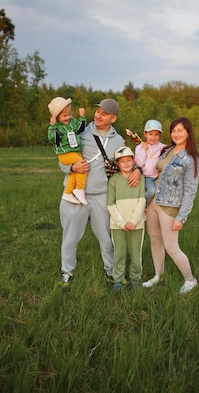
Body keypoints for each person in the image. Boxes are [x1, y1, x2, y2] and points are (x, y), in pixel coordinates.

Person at [58, 98, 141, 285]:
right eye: (97, 112)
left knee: (106, 237)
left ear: (113, 118)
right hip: (74, 195)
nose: (98, 115)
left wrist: (136, 169)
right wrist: (72, 168)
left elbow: (125, 164)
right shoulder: (80, 132)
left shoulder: (118, 140)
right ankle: (67, 272)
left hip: (101, 195)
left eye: (103, 113)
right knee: (70, 236)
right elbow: (62, 158)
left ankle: (111, 271)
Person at [142, 117, 199, 294]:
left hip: (170, 207)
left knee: (171, 247)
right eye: (173, 130)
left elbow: (190, 191)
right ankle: (158, 275)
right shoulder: (167, 150)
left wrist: (181, 218)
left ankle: (190, 280)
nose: (176, 134)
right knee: (155, 240)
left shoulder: (191, 159)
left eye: (180, 130)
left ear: (188, 132)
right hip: (153, 203)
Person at [107, 146, 146, 292]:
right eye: (122, 161)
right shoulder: (113, 180)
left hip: (137, 224)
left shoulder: (139, 178)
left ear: (133, 161)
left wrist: (133, 221)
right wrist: (122, 223)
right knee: (119, 253)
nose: (126, 164)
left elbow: (142, 201)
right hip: (118, 225)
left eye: (129, 160)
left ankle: (135, 278)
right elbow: (110, 204)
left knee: (136, 254)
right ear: (117, 163)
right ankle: (118, 279)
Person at [47, 97, 88, 205]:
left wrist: (82, 117)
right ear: (56, 117)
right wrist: (52, 127)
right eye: (64, 116)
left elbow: (81, 129)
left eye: (69, 114)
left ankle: (68, 192)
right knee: (82, 166)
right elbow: (54, 140)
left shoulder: (72, 122)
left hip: (74, 152)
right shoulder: (55, 127)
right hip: (65, 154)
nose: (68, 117)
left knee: (74, 172)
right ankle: (79, 189)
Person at [134, 120, 165, 206]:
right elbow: (139, 163)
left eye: (156, 134)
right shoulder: (139, 148)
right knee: (151, 191)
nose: (153, 137)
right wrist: (143, 150)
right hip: (146, 176)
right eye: (150, 134)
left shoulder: (163, 147)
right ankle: (143, 206)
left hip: (158, 176)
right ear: (145, 134)